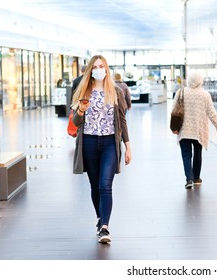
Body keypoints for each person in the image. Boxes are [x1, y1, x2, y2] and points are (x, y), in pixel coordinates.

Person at [71, 55, 132, 243]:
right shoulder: (83, 91)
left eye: (102, 66)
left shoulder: (115, 91)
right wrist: (81, 110)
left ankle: (105, 227)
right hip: (89, 142)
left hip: (109, 144)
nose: (98, 69)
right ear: (90, 70)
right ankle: (100, 218)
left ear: (106, 69)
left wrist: (128, 146)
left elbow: (121, 119)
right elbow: (76, 122)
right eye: (95, 66)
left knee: (105, 185)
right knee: (95, 186)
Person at [172, 71, 217, 189]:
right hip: (199, 130)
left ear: (189, 80)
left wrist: (174, 127)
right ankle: (196, 178)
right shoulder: (205, 95)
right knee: (198, 153)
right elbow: (212, 113)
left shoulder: (181, 92)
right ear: (201, 81)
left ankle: (189, 179)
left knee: (186, 155)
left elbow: (174, 109)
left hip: (184, 130)